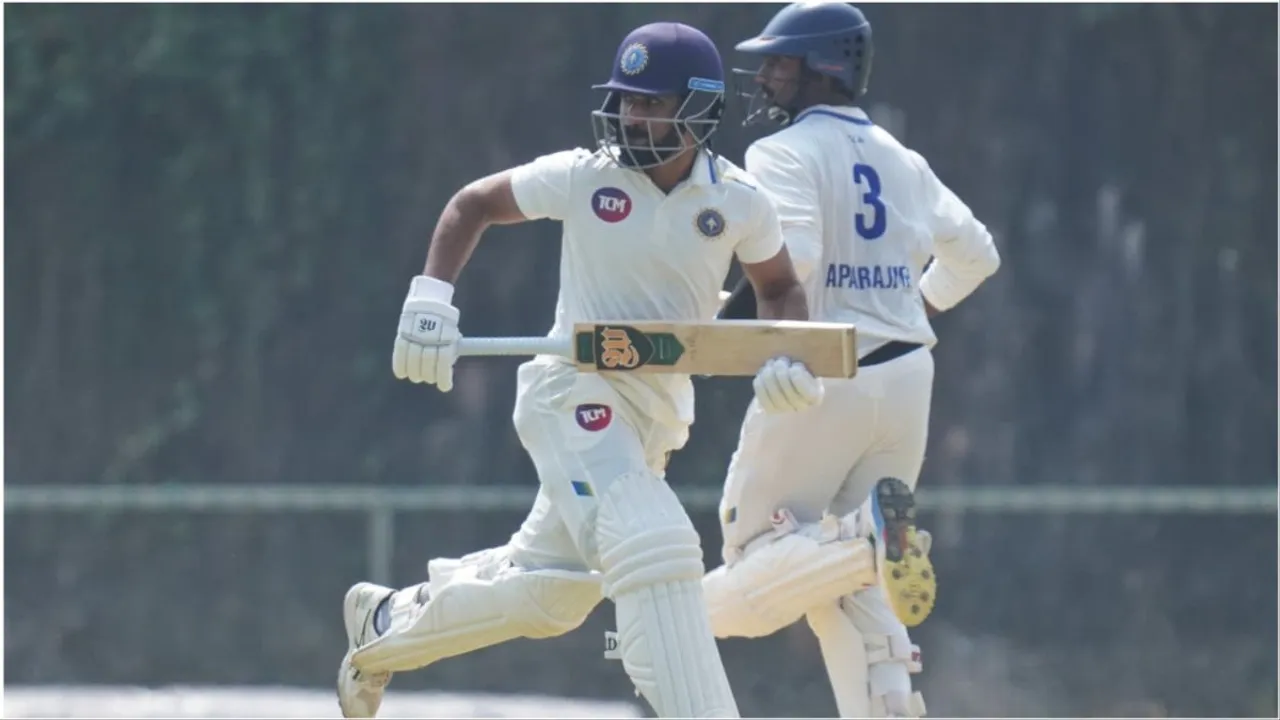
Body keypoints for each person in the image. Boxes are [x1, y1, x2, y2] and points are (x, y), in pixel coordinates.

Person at [336, 21, 825, 719]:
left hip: (653, 415)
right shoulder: (585, 176)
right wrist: (430, 299)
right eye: (627, 101)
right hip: (571, 390)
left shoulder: (738, 200)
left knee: (553, 594)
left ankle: (385, 626)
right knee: (654, 541)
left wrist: (787, 352)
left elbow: (778, 287)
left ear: (699, 108)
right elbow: (471, 205)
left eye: (652, 104)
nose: (633, 116)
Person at [701, 3, 1002, 718]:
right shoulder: (903, 158)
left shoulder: (784, 151)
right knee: (840, 594)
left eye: (781, 61)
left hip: (823, 379)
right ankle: (889, 698)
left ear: (823, 68)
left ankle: (864, 543)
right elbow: (977, 256)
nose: (767, 74)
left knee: (746, 580)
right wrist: (906, 311)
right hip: (906, 382)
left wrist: (713, 334)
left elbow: (794, 262)